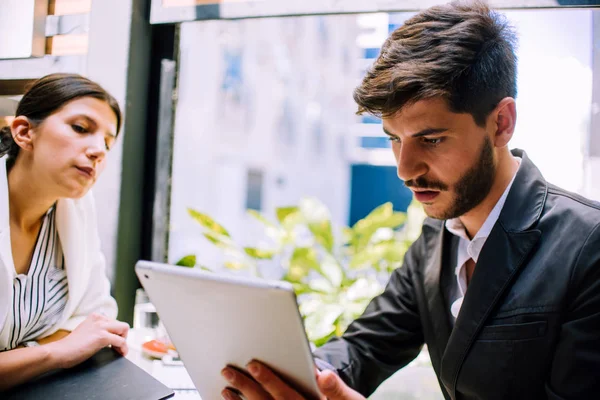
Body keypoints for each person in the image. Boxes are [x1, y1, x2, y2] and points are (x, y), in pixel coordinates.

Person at [219, 1, 600, 399]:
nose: (405, 169)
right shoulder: (437, 238)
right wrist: (295, 378)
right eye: (394, 139)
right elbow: (366, 346)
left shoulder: (588, 246)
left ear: (501, 123)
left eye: (431, 140)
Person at [0, 73, 130, 391]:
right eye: (81, 128)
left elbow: (96, 316)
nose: (99, 150)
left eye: (108, 144)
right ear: (24, 132)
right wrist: (55, 352)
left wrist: (19, 361)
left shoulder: (77, 208)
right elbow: (74, 342)